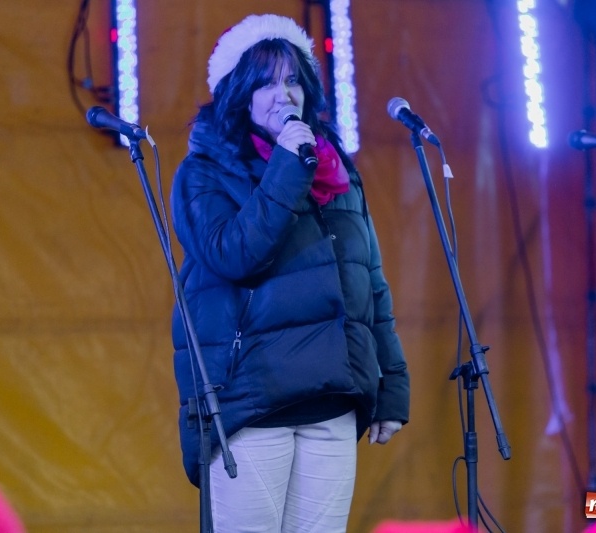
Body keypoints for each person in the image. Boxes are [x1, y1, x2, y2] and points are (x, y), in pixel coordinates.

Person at [169, 13, 410, 532]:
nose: (284, 94)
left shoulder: (335, 170)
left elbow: (368, 279)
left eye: (293, 79)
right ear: (239, 95)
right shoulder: (205, 173)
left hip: (331, 401)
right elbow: (235, 254)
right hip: (250, 404)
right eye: (266, 83)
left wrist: (392, 385)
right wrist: (287, 165)